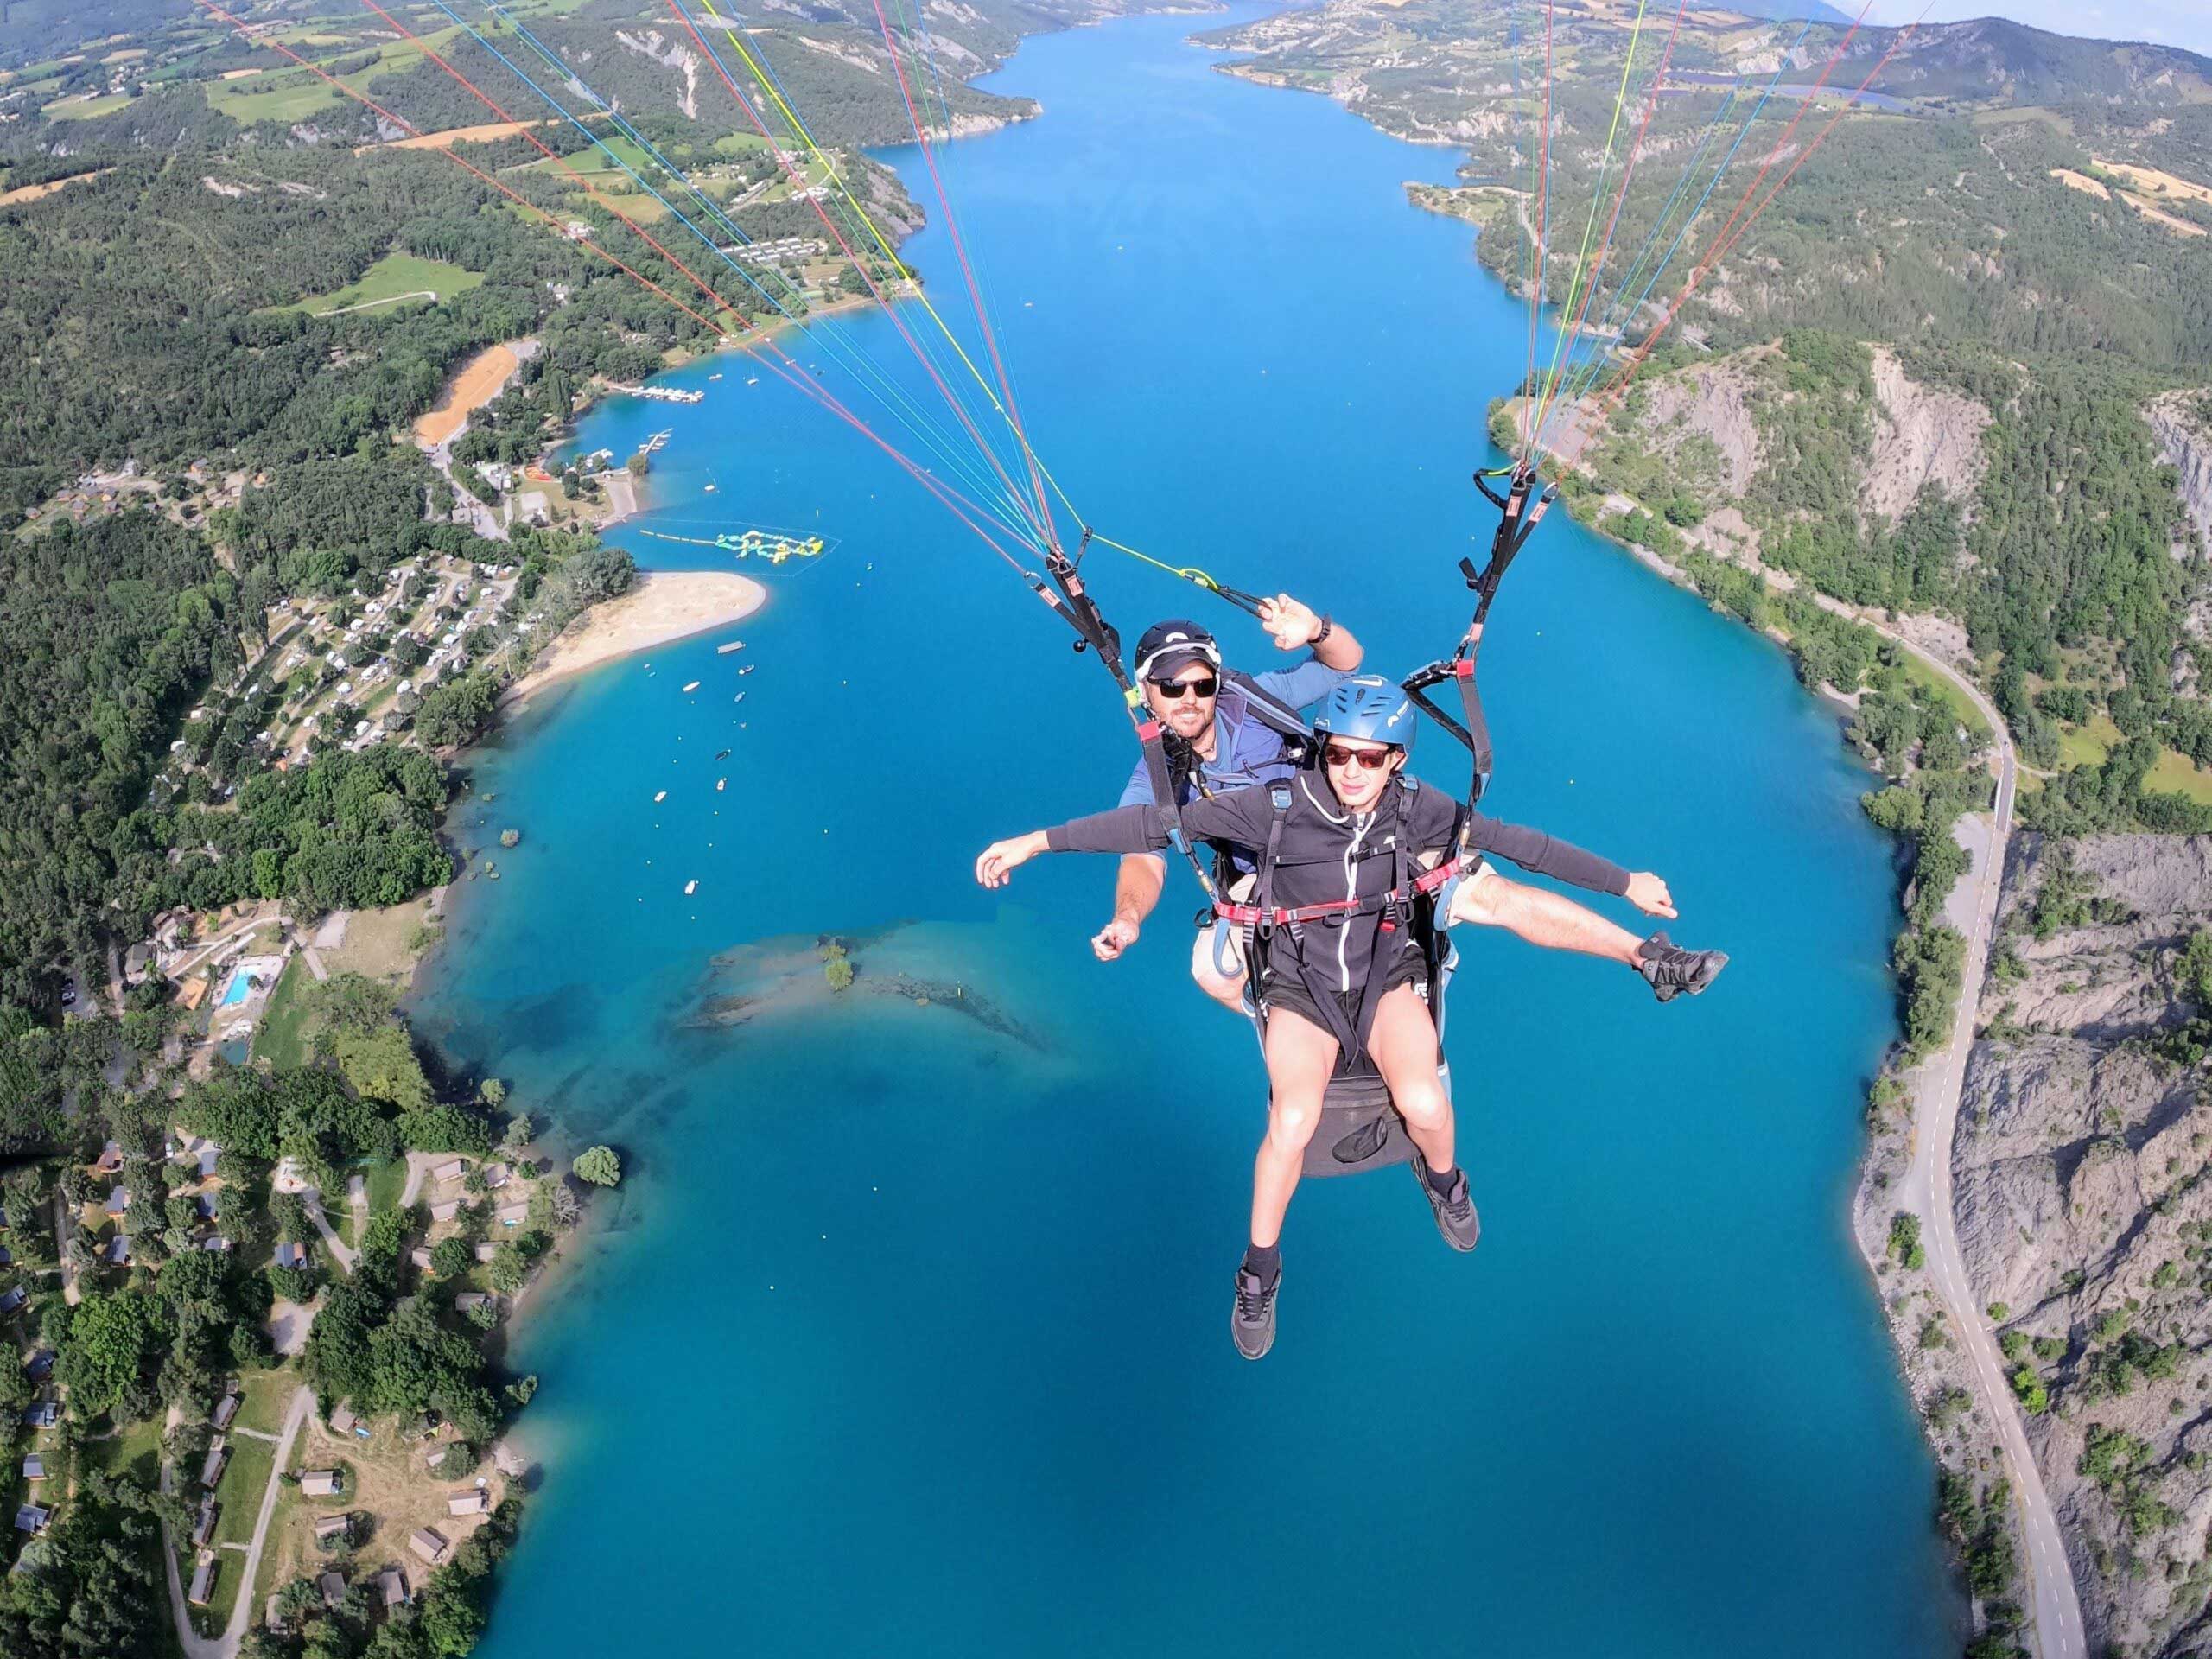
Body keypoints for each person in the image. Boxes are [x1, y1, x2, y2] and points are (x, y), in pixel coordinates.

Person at [977, 675, 1726, 1358]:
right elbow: (1146, 831)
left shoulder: (1418, 808)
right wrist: (1035, 842)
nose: (1353, 772)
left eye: (1371, 759)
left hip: (1384, 972)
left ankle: (1444, 1182)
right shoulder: (1273, 810)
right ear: (1324, 752)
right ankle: (1259, 1272)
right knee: (1294, 1121)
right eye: (1340, 756)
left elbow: (1522, 846)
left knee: (1427, 1100)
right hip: (1300, 982)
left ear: (1396, 759)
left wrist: (1626, 882)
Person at [1096, 607, 1363, 1009]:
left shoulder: (1255, 702)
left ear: (1216, 684)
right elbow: (1143, 857)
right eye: (1171, 686)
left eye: (1202, 686)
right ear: (1145, 694)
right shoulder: (1157, 778)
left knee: (1473, 884)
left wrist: (1316, 630)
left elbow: (1344, 667)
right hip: (1265, 881)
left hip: (1337, 840)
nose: (1189, 699)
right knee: (1213, 972)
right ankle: (1286, 1026)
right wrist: (1127, 918)